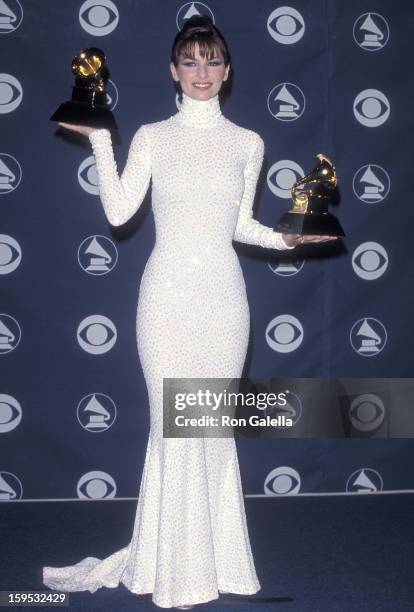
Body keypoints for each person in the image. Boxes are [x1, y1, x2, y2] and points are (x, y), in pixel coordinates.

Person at [43, 15, 337, 610]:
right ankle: (171, 571)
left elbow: (239, 227)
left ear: (228, 73)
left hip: (224, 302)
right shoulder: (152, 136)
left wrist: (289, 238)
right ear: (173, 70)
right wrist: (101, 138)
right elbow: (122, 214)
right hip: (167, 298)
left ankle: (220, 565)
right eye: (191, 61)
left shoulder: (248, 143)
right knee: (171, 426)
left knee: (209, 427)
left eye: (212, 61)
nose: (202, 72)